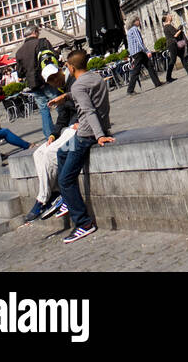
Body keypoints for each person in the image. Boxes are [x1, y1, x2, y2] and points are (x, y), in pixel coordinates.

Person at [55, 50, 114, 243]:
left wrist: (99, 136)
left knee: (65, 180)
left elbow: (88, 111)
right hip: (94, 128)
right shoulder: (94, 78)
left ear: (71, 68)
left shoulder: (79, 85)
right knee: (60, 152)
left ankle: (83, 223)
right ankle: (67, 199)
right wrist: (64, 97)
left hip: (86, 135)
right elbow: (83, 95)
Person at [22, 65, 80, 222]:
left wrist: (80, 122)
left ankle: (42, 199)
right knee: (38, 153)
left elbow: (85, 105)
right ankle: (53, 192)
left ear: (58, 75)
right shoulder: (61, 90)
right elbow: (62, 116)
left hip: (79, 129)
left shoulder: (74, 84)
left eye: (53, 81)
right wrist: (53, 135)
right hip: (67, 129)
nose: (53, 85)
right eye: (50, 83)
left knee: (50, 154)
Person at [15, 23, 57, 139]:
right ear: (35, 32)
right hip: (47, 79)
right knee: (58, 102)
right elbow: (53, 57)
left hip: (34, 84)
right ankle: (68, 126)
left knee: (44, 109)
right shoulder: (42, 42)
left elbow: (20, 73)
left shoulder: (19, 52)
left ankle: (49, 135)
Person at [125, 18, 162, 94]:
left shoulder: (129, 31)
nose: (140, 22)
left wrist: (132, 55)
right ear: (135, 22)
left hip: (136, 53)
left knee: (149, 66)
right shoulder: (134, 29)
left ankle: (157, 82)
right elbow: (140, 42)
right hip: (138, 53)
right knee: (136, 71)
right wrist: (147, 51)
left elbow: (130, 45)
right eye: (138, 20)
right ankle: (130, 90)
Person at [163, 14, 188, 82]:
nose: (171, 16)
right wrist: (180, 30)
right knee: (173, 60)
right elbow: (175, 35)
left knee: (182, 57)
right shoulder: (168, 26)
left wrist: (178, 29)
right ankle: (168, 78)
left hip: (174, 44)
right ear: (167, 19)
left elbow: (174, 33)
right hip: (172, 44)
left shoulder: (166, 26)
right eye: (170, 16)